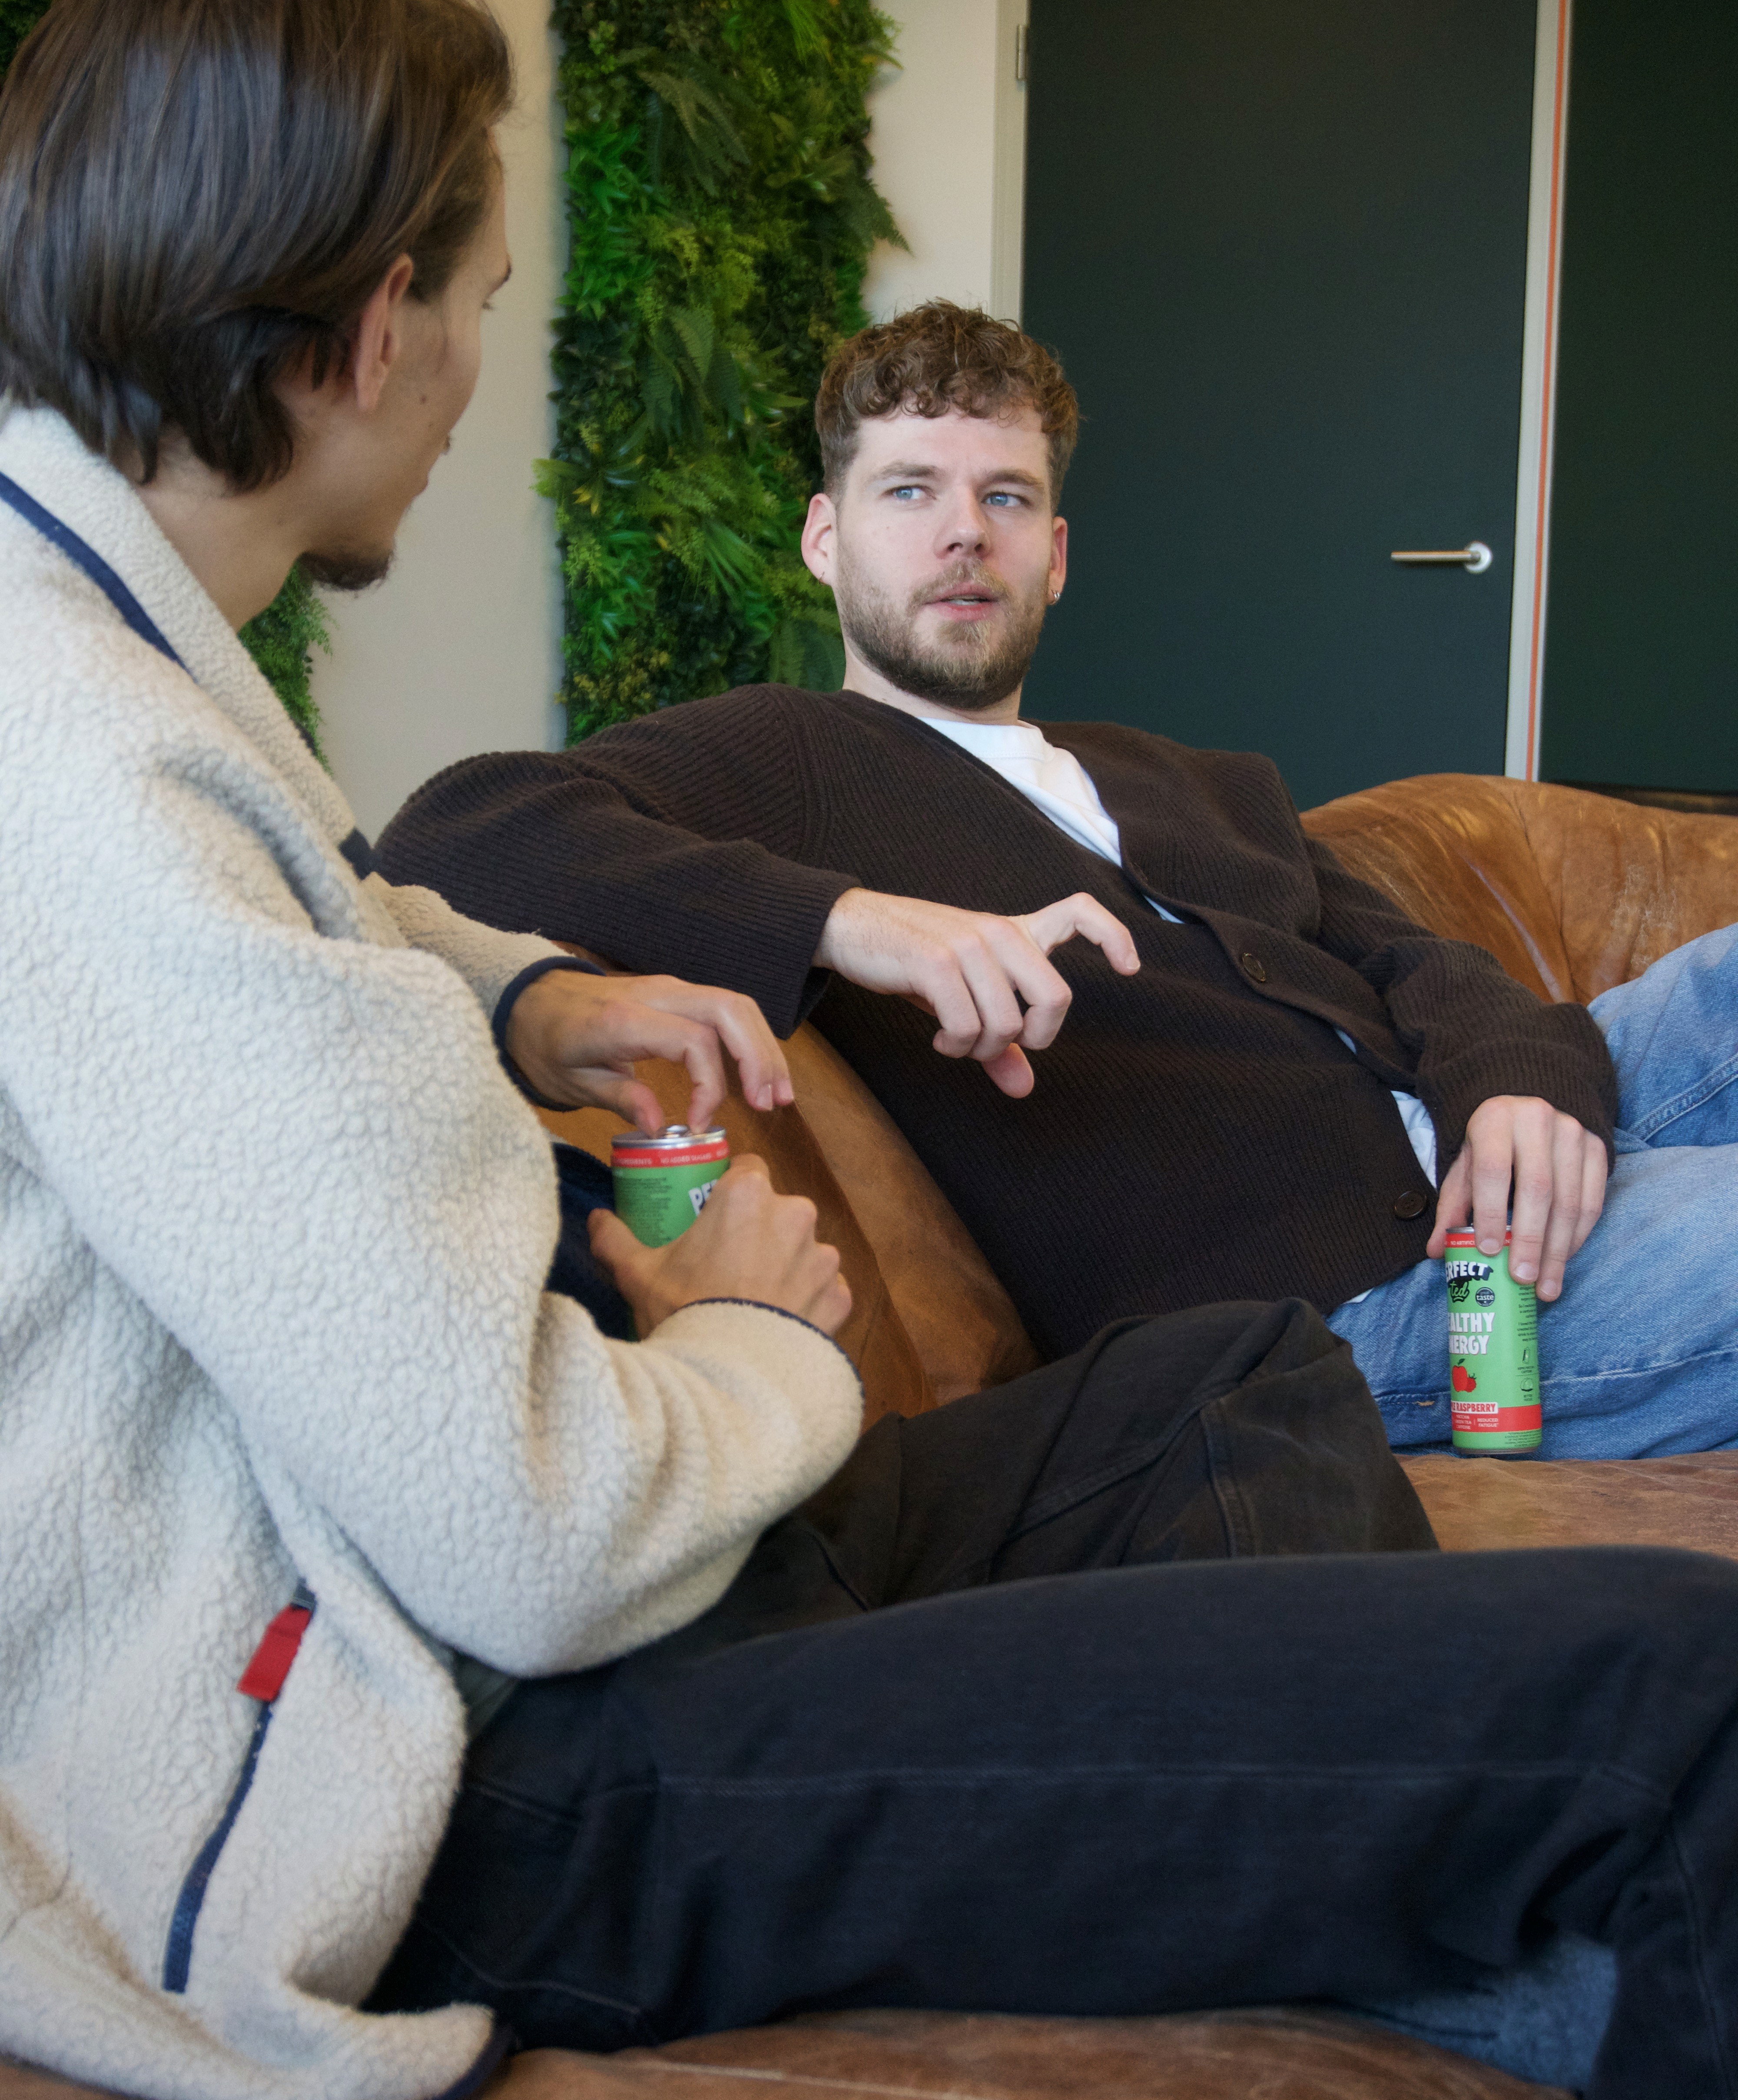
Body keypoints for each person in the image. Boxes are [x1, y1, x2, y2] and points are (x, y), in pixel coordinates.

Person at [4, 0, 1738, 2100]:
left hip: (534, 1609)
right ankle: (1423, 1873)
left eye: (1008, 496)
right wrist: (754, 1335)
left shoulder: (108, 653)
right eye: (479, 303)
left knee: (1236, 1394)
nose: (477, 374)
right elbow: (537, 1536)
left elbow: (348, 906)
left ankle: (1327, 1834)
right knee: (1683, 1703)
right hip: (455, 1770)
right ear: (375, 328)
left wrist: (530, 994)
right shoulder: (84, 758)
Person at [378, 306, 1738, 1459]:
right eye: (910, 492)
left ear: (1057, 552)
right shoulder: (791, 759)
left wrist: (1521, 1084)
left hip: (1494, 1136)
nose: (964, 535)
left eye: (1006, 497)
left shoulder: (1185, 775)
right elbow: (456, 831)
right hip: (1368, 1298)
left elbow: (1417, 961)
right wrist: (856, 925)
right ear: (824, 539)